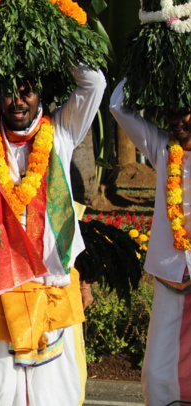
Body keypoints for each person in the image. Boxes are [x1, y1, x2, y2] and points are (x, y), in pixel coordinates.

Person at [0, 64, 105, 404]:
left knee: (53, 391)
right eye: (8, 92)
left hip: (49, 282)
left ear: (40, 96)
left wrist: (49, 42)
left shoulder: (61, 132)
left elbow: (94, 82)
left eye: (26, 92)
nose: (18, 101)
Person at [110, 81, 191, 405]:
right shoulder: (161, 147)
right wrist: (142, 64)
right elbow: (118, 106)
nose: (177, 120)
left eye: (185, 112)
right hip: (171, 273)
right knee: (157, 374)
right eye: (172, 113)